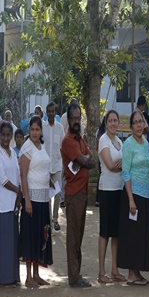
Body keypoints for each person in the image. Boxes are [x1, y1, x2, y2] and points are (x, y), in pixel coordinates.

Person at [61, 103, 96, 287]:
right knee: (73, 235)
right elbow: (85, 160)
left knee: (79, 235)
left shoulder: (81, 140)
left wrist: (85, 160)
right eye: (73, 118)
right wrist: (84, 159)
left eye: (78, 118)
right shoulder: (68, 141)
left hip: (82, 194)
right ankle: (74, 277)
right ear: (68, 120)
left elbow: (93, 162)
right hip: (74, 194)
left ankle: (77, 273)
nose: (76, 121)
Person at [118, 110, 149, 285]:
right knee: (133, 235)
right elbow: (125, 172)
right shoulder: (128, 144)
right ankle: (131, 274)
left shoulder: (145, 143)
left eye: (141, 121)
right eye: (136, 122)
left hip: (146, 194)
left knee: (142, 235)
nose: (139, 125)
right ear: (131, 126)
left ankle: (137, 272)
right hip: (133, 195)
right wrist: (131, 199)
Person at [19, 115, 53, 287]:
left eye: (37, 129)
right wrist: (27, 200)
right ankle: (28, 277)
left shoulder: (42, 147)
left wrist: (50, 181)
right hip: (31, 197)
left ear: (41, 131)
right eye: (32, 129)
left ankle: (37, 274)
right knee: (31, 236)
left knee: (41, 236)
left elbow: (43, 169)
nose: (34, 132)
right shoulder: (27, 148)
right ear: (29, 130)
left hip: (43, 197)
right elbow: (23, 175)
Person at [96, 110, 126, 284]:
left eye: (116, 120)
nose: (113, 123)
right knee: (105, 232)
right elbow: (110, 165)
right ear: (106, 123)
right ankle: (101, 272)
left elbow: (121, 165)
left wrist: (121, 165)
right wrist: (121, 165)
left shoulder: (120, 142)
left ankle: (115, 270)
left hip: (118, 189)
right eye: (111, 121)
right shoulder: (103, 140)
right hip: (107, 189)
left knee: (116, 233)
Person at [0, 122, 22, 287]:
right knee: (4, 243)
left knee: (13, 242)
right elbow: (3, 180)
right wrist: (17, 191)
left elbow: (17, 175)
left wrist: (18, 196)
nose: (5, 138)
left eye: (8, 135)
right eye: (3, 135)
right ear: (0, 135)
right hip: (3, 203)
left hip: (13, 204)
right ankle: (3, 278)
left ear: (11, 136)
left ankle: (13, 276)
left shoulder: (13, 153)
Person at [43, 101, 64, 231]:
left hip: (57, 165)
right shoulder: (42, 127)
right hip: (45, 166)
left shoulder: (60, 128)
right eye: (49, 111)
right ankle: (48, 221)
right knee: (47, 195)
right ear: (46, 112)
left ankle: (55, 219)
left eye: (53, 111)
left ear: (55, 112)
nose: (51, 113)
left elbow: (62, 147)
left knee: (57, 192)